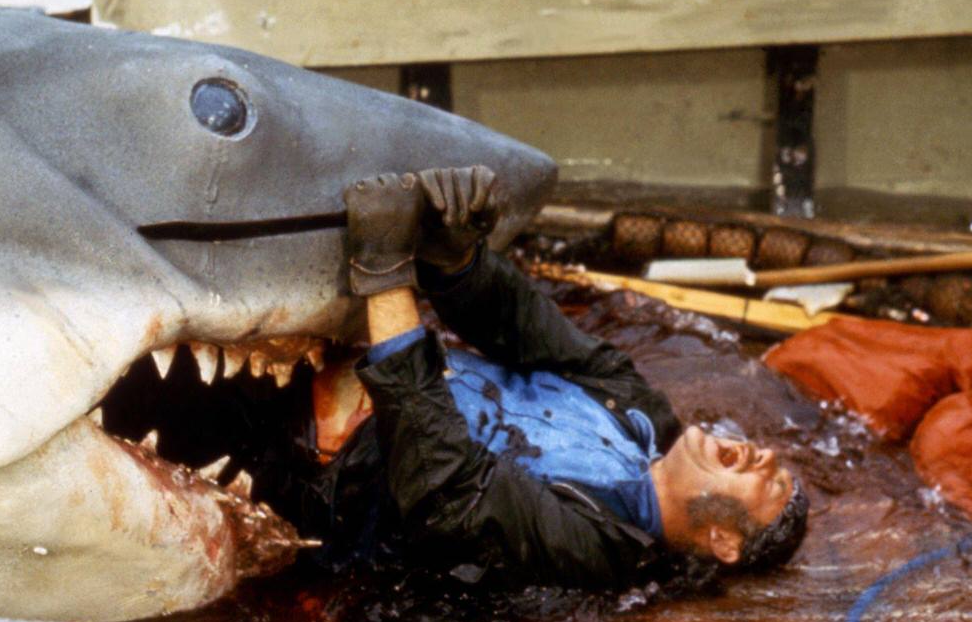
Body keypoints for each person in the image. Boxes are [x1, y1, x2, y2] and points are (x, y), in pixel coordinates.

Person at [255, 166, 808, 591]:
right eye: (773, 458)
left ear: (724, 541)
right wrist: (457, 259)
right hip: (315, 356)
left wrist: (384, 272)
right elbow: (526, 327)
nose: (763, 455)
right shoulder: (642, 413)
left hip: (288, 448)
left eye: (772, 484)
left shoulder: (597, 549)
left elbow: (445, 491)